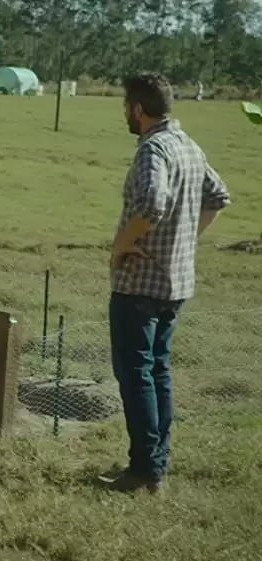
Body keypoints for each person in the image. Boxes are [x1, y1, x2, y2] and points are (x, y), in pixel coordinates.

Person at [105, 72, 231, 494]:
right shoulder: (188, 144)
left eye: (126, 105)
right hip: (176, 284)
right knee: (157, 372)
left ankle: (144, 471)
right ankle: (155, 464)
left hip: (140, 283)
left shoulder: (153, 149)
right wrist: (185, 239)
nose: (124, 111)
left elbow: (153, 204)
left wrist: (121, 247)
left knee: (136, 373)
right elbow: (218, 196)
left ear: (138, 110)